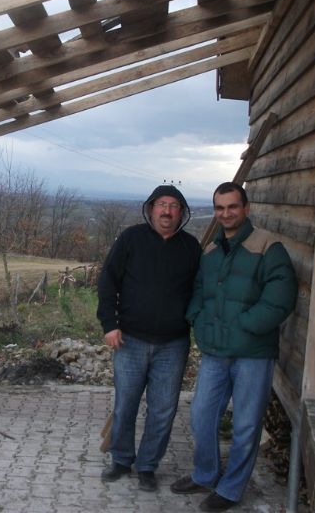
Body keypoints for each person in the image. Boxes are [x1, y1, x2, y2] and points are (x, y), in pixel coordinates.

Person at [170, 182, 297, 511]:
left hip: (253, 354)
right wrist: (197, 319)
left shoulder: (268, 247)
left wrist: (246, 325)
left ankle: (231, 488)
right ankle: (205, 474)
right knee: (201, 415)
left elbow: (281, 297)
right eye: (220, 208)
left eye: (232, 207)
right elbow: (199, 291)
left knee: (246, 424)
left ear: (246, 208)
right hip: (215, 351)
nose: (226, 213)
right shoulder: (211, 251)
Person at [97, 184, 202, 492]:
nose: (167, 211)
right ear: (151, 208)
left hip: (173, 344)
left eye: (173, 205)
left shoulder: (190, 247)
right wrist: (110, 324)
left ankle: (147, 466)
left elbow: (200, 291)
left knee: (163, 410)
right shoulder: (131, 239)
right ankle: (121, 459)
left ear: (181, 213)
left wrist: (192, 321)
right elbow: (107, 281)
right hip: (129, 340)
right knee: (125, 404)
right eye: (161, 204)